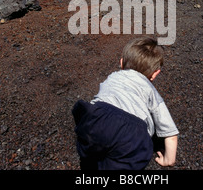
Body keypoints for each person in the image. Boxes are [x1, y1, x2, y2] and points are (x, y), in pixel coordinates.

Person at [72, 36, 179, 170]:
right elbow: (170, 133)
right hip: (131, 130)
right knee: (126, 160)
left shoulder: (113, 77)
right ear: (155, 74)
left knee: (91, 151)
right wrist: (169, 159)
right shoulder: (150, 90)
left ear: (121, 63)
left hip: (97, 116)